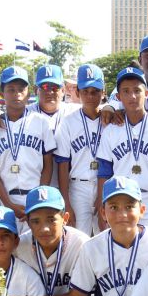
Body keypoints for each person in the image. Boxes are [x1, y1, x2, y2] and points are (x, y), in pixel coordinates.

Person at [96, 67, 148, 232]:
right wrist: (103, 205)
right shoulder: (111, 129)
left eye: (137, 90)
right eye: (126, 91)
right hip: (120, 198)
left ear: (146, 93)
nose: (132, 96)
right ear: (118, 96)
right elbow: (103, 173)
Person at [0, 66, 55, 233]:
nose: (16, 93)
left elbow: (48, 165)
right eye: (10, 89)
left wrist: (37, 199)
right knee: (8, 253)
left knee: (35, 252)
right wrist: (8, 204)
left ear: (29, 92)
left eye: (21, 89)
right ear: (2, 93)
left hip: (35, 198)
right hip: (7, 199)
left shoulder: (41, 122)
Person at [55, 64, 106, 236]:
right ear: (77, 92)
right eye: (86, 91)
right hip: (79, 186)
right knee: (79, 238)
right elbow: (62, 163)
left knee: (104, 235)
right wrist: (66, 201)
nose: (90, 96)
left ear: (103, 92)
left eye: (95, 91)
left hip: (105, 184)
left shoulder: (112, 119)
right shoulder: (68, 122)